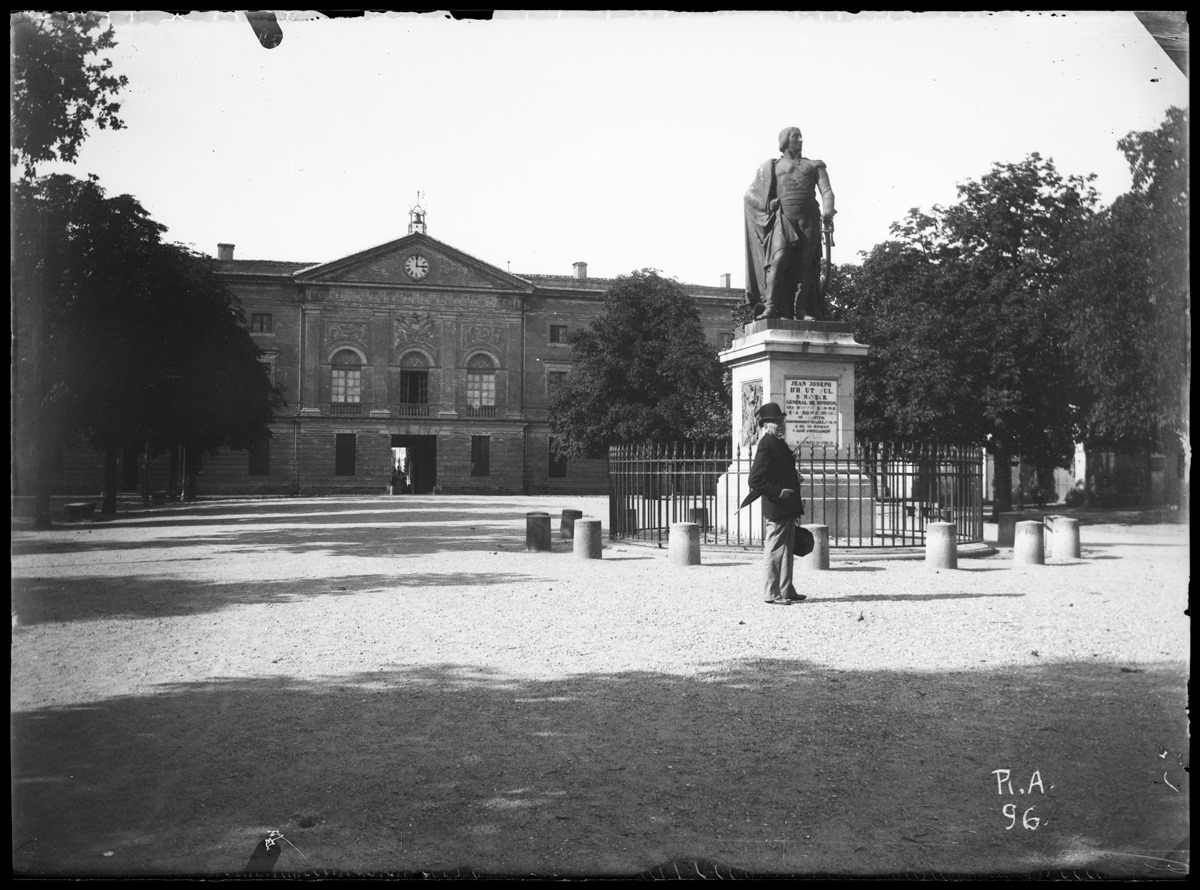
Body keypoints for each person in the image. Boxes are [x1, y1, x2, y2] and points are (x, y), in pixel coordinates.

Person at [744, 126, 836, 321]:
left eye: (801, 137)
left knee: (805, 265)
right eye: (795, 136)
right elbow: (749, 195)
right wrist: (767, 204)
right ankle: (771, 307)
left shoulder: (814, 165)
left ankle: (801, 310)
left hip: (809, 219)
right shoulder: (771, 167)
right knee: (779, 260)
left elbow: (826, 191)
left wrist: (828, 210)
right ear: (785, 140)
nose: (800, 140)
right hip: (783, 218)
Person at [746, 402, 807, 605]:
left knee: (787, 548)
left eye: (781, 420)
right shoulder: (766, 443)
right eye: (775, 422)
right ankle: (771, 592)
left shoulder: (779, 443)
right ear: (765, 424)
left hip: (788, 506)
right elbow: (755, 480)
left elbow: (779, 470)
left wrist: (794, 476)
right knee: (774, 549)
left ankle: (786, 588)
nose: (780, 424)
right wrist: (779, 493)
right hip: (777, 505)